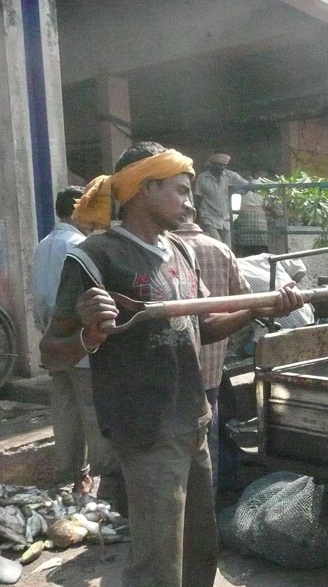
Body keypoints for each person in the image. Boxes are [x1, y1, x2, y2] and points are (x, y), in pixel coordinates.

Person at [39, 141, 302, 587]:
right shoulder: (95, 256)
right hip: (145, 429)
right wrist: (89, 336)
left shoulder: (180, 250)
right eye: (180, 190)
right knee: (158, 562)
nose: (190, 202)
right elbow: (50, 350)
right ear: (145, 188)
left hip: (193, 419)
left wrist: (257, 309)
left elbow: (203, 328)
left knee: (199, 550)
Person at [32, 187, 118, 498]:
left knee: (65, 415)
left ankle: (70, 478)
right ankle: (104, 482)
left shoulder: (42, 245)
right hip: (81, 345)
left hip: (53, 344)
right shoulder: (81, 247)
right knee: (93, 414)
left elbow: (39, 297)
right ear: (76, 210)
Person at [173, 211, 250, 493]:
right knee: (206, 441)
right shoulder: (220, 249)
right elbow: (245, 301)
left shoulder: (163, 251)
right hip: (211, 365)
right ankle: (209, 497)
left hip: (171, 368)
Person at [193, 152, 248, 247]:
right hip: (209, 218)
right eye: (219, 165)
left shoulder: (230, 175)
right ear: (212, 164)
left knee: (227, 249)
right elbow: (198, 198)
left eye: (224, 165)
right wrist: (196, 218)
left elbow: (247, 186)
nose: (222, 167)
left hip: (226, 220)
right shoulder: (203, 178)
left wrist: (238, 191)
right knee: (217, 246)